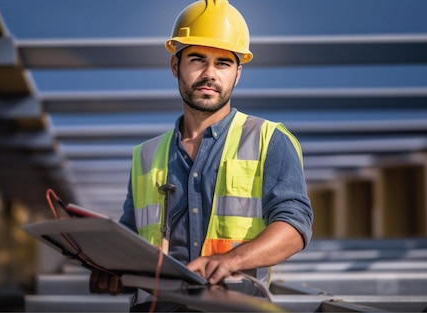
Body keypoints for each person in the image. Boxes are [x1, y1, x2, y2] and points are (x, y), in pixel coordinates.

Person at [90, 0, 313, 311]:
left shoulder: (269, 140)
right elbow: (133, 236)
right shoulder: (146, 155)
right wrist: (110, 265)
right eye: (197, 59)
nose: (210, 73)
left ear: (238, 74)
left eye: (223, 63)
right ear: (174, 66)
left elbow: (294, 227)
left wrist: (232, 260)